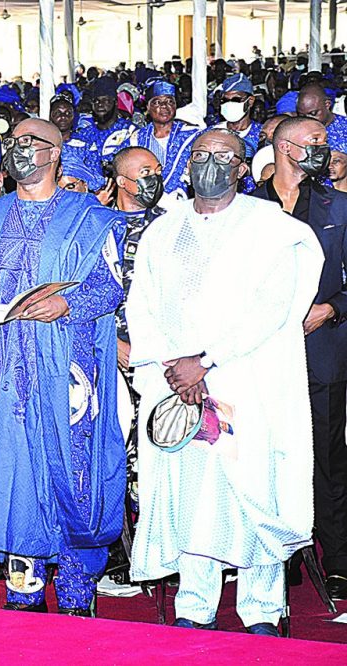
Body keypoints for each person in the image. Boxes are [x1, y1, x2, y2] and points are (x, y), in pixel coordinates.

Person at [126, 129, 322, 635]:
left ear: (240, 169)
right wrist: (174, 365)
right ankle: (195, 604)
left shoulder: (268, 227)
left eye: (222, 157)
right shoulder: (163, 231)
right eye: (199, 156)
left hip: (246, 383)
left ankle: (260, 610)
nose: (209, 165)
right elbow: (142, 305)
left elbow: (272, 308)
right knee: (193, 496)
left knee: (253, 495)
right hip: (178, 389)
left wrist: (207, 361)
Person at [0, 118, 126, 615]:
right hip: (3, 368)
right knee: (13, 472)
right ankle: (23, 595)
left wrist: (67, 305)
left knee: (71, 473)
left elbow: (110, 285)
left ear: (55, 154)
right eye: (14, 143)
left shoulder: (89, 216)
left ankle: (75, 595)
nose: (21, 151)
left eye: (32, 143)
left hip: (67, 365)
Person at [253, 116, 347, 601]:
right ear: (285, 148)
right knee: (265, 456)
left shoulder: (339, 206)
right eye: (315, 142)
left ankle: (339, 559)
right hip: (259, 354)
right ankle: (276, 557)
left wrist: (332, 308)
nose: (324, 150)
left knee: (328, 458)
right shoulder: (246, 205)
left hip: (322, 350)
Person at [109, 146, 166, 507]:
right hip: (109, 353)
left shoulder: (172, 224)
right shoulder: (95, 226)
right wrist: (110, 342)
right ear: (120, 181)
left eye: (156, 170)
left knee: (157, 444)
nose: (153, 178)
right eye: (144, 171)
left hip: (161, 355)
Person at [126, 80, 199, 195]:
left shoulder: (192, 135)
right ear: (148, 108)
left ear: (175, 106)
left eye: (170, 102)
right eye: (157, 102)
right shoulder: (136, 139)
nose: (164, 106)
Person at [214, 74, 261, 192]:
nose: (229, 104)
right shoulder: (211, 134)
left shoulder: (263, 134)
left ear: (250, 102)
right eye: (225, 100)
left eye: (235, 100)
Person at [91, 77, 135, 162]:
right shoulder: (85, 134)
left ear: (115, 103)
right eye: (96, 101)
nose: (100, 104)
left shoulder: (131, 132)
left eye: (105, 100)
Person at [297, 83, 347, 153]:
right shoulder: (296, 130)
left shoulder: (345, 126)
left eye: (313, 113)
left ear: (327, 105)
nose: (307, 120)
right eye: (301, 115)